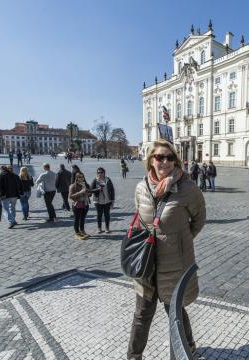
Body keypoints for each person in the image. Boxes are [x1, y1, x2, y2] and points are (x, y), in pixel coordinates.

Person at [127, 139, 205, 360]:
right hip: (146, 264)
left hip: (174, 265)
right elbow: (140, 220)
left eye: (169, 157)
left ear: (175, 161)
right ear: (151, 159)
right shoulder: (141, 187)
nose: (164, 161)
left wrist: (181, 242)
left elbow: (199, 220)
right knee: (142, 314)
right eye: (159, 157)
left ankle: (188, 348)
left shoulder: (188, 188)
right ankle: (133, 357)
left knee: (176, 312)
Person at [90, 166, 115, 234]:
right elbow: (91, 190)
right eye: (98, 172)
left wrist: (112, 200)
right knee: (99, 215)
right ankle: (99, 228)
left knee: (107, 214)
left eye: (101, 172)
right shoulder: (95, 180)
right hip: (98, 201)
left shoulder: (108, 179)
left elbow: (112, 190)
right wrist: (97, 189)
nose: (100, 174)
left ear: (104, 173)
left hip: (107, 200)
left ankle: (107, 228)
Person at [69, 172, 91, 240]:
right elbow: (70, 196)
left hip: (85, 203)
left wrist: (89, 193)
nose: (81, 178)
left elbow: (90, 195)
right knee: (77, 219)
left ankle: (82, 231)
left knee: (83, 218)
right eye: (79, 177)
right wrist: (80, 192)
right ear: (76, 178)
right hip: (77, 204)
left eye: (82, 177)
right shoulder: (73, 186)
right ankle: (77, 233)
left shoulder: (86, 185)